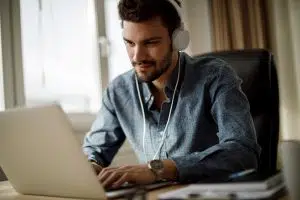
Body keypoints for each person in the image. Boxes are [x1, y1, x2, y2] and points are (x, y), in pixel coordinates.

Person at [83, 0, 261, 190]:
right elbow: (94, 150)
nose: (137, 57)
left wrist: (157, 169)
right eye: (130, 43)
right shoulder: (118, 91)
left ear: (178, 39)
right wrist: (89, 166)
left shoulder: (215, 77)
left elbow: (243, 152)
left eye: (150, 43)